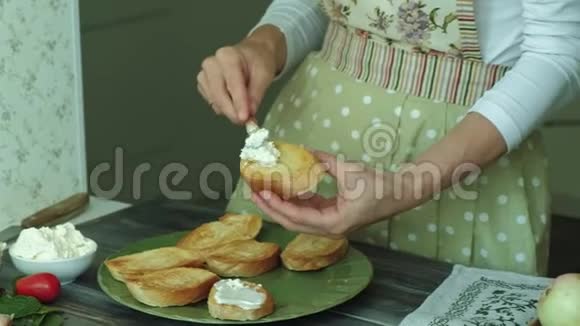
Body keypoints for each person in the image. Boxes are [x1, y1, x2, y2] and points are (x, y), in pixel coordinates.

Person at [196, 0, 580, 276]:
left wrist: (409, 184)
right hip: (317, 126)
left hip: (465, 158)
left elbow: (557, 51)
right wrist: (264, 44)